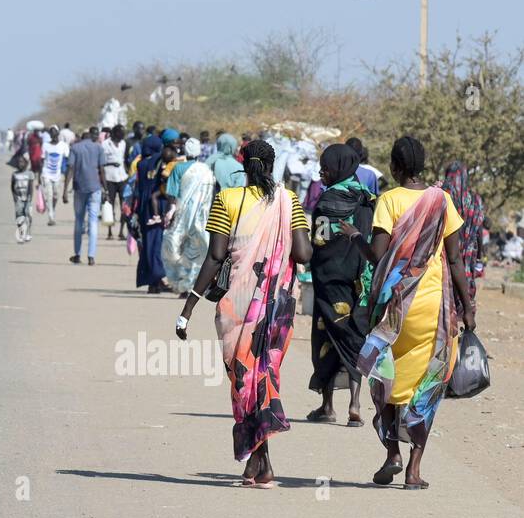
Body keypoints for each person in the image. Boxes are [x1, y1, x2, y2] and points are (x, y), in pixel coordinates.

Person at [176, 138, 313, 487]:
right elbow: (303, 253)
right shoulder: (288, 201)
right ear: (272, 164)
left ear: (242, 162)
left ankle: (261, 460)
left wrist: (188, 306)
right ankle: (258, 459)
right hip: (278, 306)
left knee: (244, 379)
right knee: (262, 375)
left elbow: (215, 256)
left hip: (236, 305)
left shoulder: (227, 199)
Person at [349, 136, 475, 489]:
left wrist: (356, 236)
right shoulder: (442, 200)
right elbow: (454, 259)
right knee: (428, 385)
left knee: (384, 375)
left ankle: (392, 452)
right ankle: (414, 470)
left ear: (395, 167)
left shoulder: (389, 200)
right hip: (433, 308)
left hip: (395, 308)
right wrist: (468, 307)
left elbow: (377, 255)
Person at [305, 143, 374, 427]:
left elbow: (319, 243)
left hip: (329, 282)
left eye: (327, 166)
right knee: (353, 337)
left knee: (327, 339)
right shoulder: (368, 199)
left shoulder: (326, 201)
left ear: (339, 168)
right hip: (359, 282)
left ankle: (327, 406)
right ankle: (356, 404)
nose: (323, 171)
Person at [162, 143, 215, 296]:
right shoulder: (206, 170)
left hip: (182, 216)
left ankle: (183, 286)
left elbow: (171, 194)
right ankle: (193, 285)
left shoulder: (178, 168)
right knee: (197, 250)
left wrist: (170, 212)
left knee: (181, 249)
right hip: (201, 217)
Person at [441, 162, 485, 300]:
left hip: (446, 254)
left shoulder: (442, 197)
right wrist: (480, 256)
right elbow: (479, 231)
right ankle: (465, 310)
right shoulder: (475, 200)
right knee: (464, 294)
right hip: (467, 255)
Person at [132, 136, 170, 293]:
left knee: (148, 244)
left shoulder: (141, 164)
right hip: (157, 206)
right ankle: (158, 276)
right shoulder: (159, 161)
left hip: (143, 208)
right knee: (156, 244)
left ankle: (153, 282)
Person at [64, 128, 105, 265]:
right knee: (93, 221)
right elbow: (102, 170)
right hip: (95, 188)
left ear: (81, 138)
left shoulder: (75, 148)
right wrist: (105, 188)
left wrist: (65, 190)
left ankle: (77, 254)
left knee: (79, 220)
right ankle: (91, 256)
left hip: (79, 188)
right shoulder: (98, 148)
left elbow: (70, 168)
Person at [40, 127, 69, 227]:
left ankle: (53, 209)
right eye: (52, 134)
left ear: (58, 134)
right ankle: (51, 217)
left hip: (58, 174)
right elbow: (42, 160)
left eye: (56, 134)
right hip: (46, 173)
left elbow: (67, 158)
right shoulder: (45, 145)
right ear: (50, 135)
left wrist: (67, 174)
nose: (54, 136)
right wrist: (40, 176)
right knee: (49, 195)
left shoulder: (63, 145)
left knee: (56, 195)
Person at [11, 154, 35, 243]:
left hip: (27, 198)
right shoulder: (14, 175)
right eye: (18, 162)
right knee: (19, 216)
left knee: (28, 215)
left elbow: (31, 187)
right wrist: (15, 198)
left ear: (26, 163)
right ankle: (21, 233)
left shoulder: (30, 174)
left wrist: (30, 198)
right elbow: (12, 187)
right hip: (18, 198)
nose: (20, 164)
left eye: (22, 162)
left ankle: (28, 232)